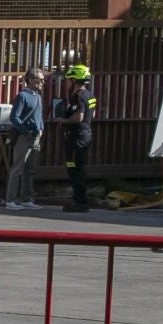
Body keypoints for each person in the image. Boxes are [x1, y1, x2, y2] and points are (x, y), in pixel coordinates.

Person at [53, 64, 96, 213]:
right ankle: (80, 200)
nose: (68, 82)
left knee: (74, 169)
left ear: (75, 79)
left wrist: (63, 121)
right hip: (85, 135)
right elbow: (91, 116)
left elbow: (79, 117)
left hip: (76, 138)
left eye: (70, 79)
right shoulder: (90, 95)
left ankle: (80, 202)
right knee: (79, 169)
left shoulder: (78, 96)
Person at [4, 69, 45, 210]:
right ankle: (10, 200)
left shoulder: (38, 96)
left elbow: (39, 116)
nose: (42, 82)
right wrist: (25, 131)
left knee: (30, 169)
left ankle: (27, 199)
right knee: (18, 168)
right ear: (32, 80)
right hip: (24, 136)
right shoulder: (22, 96)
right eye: (40, 79)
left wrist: (41, 127)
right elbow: (14, 117)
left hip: (36, 136)